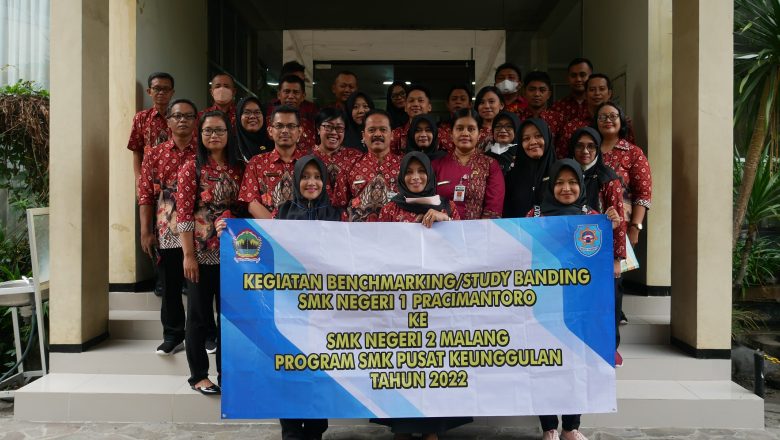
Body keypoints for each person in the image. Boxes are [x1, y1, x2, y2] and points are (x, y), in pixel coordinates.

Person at [529, 159, 621, 440]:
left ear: (581, 185)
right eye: (559, 182)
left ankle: (571, 426)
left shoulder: (593, 216)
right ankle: (549, 427)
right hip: (543, 303)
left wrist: (613, 227)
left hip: (580, 307)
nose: (566, 188)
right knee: (544, 363)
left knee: (577, 363)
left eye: (572, 182)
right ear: (550, 185)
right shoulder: (533, 215)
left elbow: (610, 263)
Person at [176, 110, 245, 396]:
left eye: (219, 130)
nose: (213, 136)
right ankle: (199, 376)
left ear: (229, 135)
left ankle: (227, 375)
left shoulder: (239, 168)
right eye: (208, 131)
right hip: (201, 256)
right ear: (199, 135)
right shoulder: (191, 168)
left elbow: (245, 205)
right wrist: (188, 255)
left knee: (228, 318)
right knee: (199, 317)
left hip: (234, 255)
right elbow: (183, 215)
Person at [272, 155, 338, 439]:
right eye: (305, 176)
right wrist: (230, 232)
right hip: (289, 307)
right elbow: (265, 244)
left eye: (317, 176)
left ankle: (315, 430)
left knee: (318, 369)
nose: (311, 182)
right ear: (296, 180)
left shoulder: (335, 214)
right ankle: (290, 428)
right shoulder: (283, 212)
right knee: (289, 366)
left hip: (324, 310)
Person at [137, 98, 197, 355]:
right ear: (169, 121)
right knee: (170, 285)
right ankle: (173, 335)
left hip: (200, 231)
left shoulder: (205, 151)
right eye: (177, 116)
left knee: (200, 287)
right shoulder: (154, 154)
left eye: (188, 115)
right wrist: (146, 231)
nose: (182, 120)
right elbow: (146, 195)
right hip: (167, 230)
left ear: (196, 121)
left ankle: (205, 334)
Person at [569, 126, 627, 365]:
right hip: (574, 250)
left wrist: (617, 258)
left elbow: (619, 220)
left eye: (591, 146)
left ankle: (610, 347)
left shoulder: (608, 177)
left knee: (608, 301)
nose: (585, 151)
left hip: (602, 251)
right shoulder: (567, 173)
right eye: (580, 146)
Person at [594, 102, 651, 248]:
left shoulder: (634, 153)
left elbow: (642, 194)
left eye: (613, 116)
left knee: (615, 269)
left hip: (621, 226)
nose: (608, 120)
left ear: (622, 120)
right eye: (602, 117)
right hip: (589, 224)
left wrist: (635, 227)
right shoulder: (588, 151)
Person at [432, 109, 504, 220]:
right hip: (441, 232)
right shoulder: (437, 165)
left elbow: (493, 208)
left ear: (479, 134)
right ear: (451, 133)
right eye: (459, 128)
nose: (465, 133)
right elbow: (429, 203)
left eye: (471, 129)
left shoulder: (490, 165)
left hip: (478, 233)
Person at [239, 105, 308, 219]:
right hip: (268, 232)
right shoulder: (256, 162)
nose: (285, 131)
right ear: (270, 131)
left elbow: (320, 201)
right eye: (279, 126)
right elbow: (252, 203)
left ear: (300, 131)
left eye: (291, 126)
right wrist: (276, 229)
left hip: (303, 231)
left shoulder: (310, 162)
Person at [332, 109, 402, 222]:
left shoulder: (404, 165)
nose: (378, 134)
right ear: (363, 135)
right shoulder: (349, 166)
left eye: (383, 130)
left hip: (395, 234)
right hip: (357, 235)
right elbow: (339, 206)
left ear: (392, 135)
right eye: (372, 130)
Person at [556, 74, 636, 159]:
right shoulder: (571, 127)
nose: (597, 93)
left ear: (609, 93)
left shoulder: (621, 124)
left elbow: (631, 154)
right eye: (592, 90)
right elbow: (561, 158)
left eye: (602, 89)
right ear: (585, 95)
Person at [378, 151, 460, 224]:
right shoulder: (390, 209)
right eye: (408, 172)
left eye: (422, 171)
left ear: (429, 174)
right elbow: (382, 239)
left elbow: (459, 237)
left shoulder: (449, 206)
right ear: (402, 176)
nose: (415, 177)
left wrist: (446, 219)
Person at [502, 118, 556, 218]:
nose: (532, 142)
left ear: (547, 137)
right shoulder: (512, 176)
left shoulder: (560, 173)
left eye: (538, 136)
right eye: (526, 138)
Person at [128, 72, 175, 182]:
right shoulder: (141, 118)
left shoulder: (180, 117)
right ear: (149, 91)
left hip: (176, 180)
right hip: (149, 180)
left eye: (166, 89)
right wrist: (139, 180)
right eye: (157, 88)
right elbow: (137, 152)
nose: (161, 92)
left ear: (172, 92)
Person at [312, 107, 363, 199]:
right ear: (318, 129)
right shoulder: (307, 157)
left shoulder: (355, 156)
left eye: (339, 128)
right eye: (328, 127)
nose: (334, 132)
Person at [390, 84, 452, 154]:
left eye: (420, 100)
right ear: (405, 107)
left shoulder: (442, 135)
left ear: (429, 107)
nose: (415, 104)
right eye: (411, 101)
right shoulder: (396, 135)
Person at [515, 71, 565, 145]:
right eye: (532, 89)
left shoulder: (558, 119)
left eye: (542, 90)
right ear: (524, 93)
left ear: (549, 94)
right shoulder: (516, 117)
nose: (537, 94)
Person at [273, 74, 317, 152]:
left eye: (296, 92)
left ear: (303, 96)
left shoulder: (312, 124)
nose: (290, 96)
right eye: (287, 91)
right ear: (279, 95)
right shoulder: (270, 122)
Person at [550, 58, 593, 122]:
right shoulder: (557, 107)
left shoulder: (598, 105)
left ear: (591, 77)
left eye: (582, 75)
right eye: (573, 75)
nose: (578, 79)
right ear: (568, 79)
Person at [484, 110, 520, 175]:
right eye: (498, 126)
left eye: (509, 126)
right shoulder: (486, 157)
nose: (503, 130)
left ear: (516, 130)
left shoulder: (522, 156)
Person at [236, 96, 271, 161]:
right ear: (239, 117)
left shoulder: (274, 144)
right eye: (247, 112)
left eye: (257, 112)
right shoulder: (231, 146)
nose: (252, 116)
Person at [474, 86, 505, 151]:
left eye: (491, 101)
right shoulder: (471, 130)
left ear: (501, 105)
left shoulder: (509, 130)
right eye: (482, 102)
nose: (486, 106)